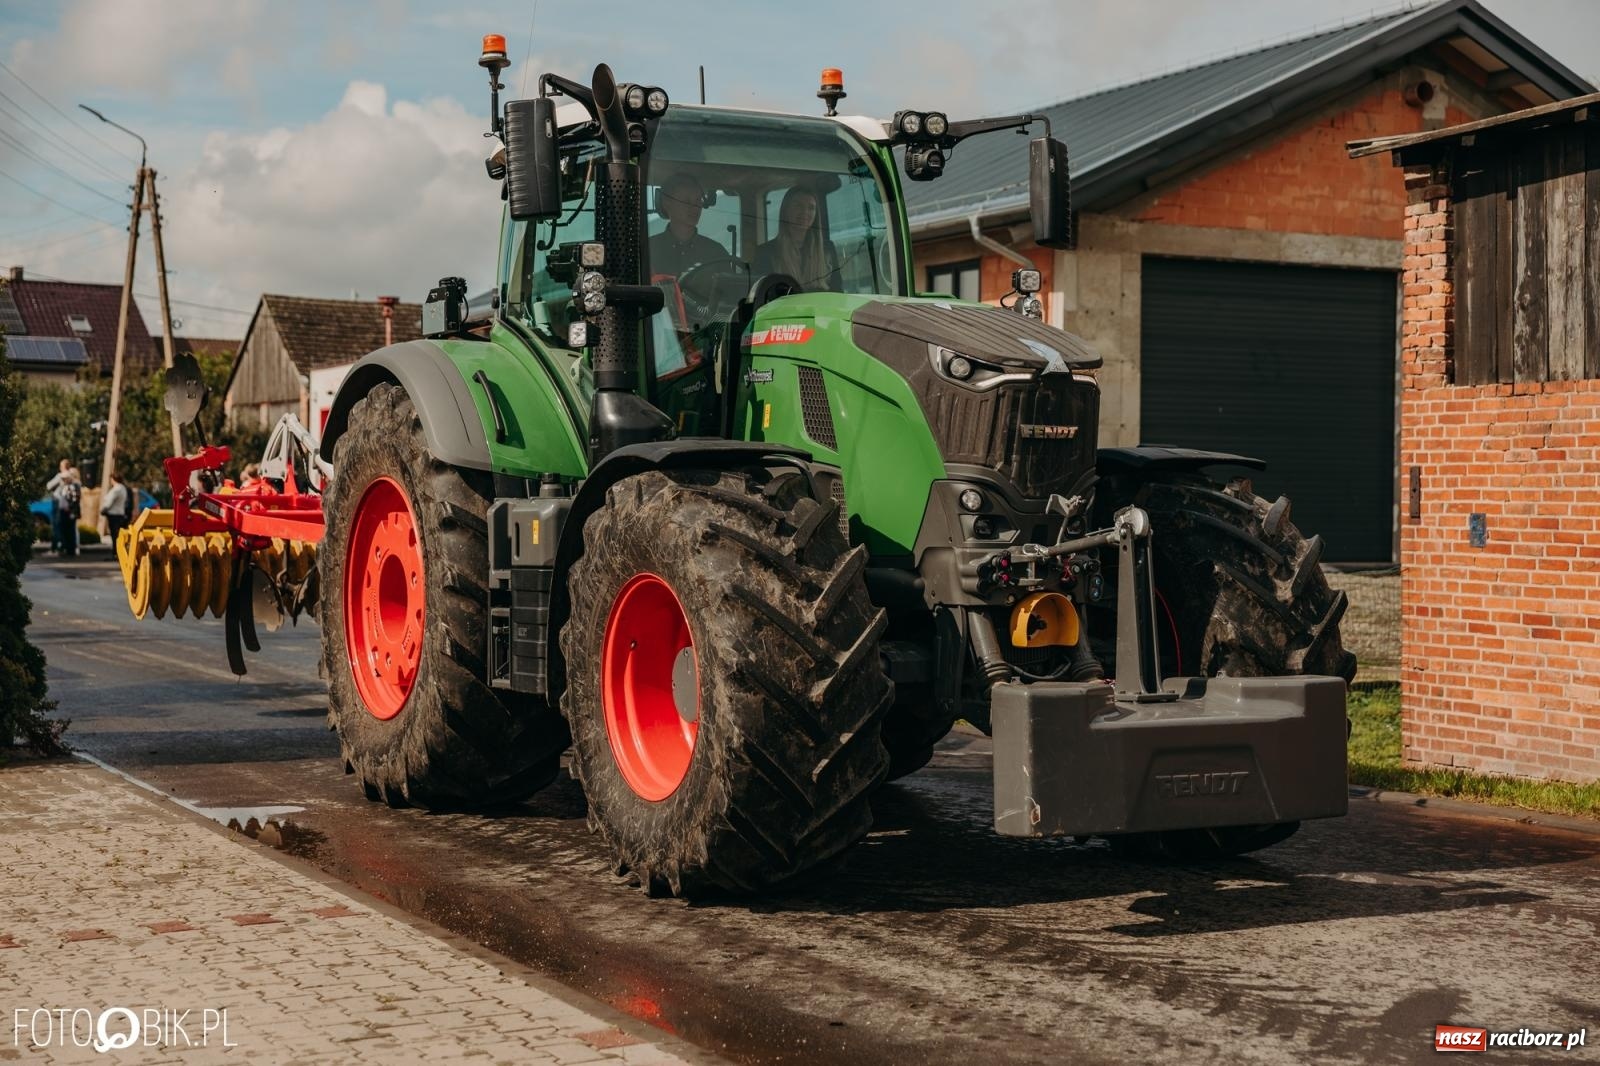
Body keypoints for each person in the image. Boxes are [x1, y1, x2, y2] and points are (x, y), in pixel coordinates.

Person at [752, 186, 841, 292]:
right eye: (798, 206)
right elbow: (761, 297)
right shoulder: (766, 252)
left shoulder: (827, 248)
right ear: (785, 210)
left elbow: (838, 292)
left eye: (811, 208)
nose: (805, 212)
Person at [648, 172, 730, 280]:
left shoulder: (717, 253)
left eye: (698, 200)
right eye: (686, 201)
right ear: (667, 203)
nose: (695, 207)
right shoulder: (648, 250)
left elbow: (729, 294)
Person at [46, 459, 81, 557]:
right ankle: (68, 548)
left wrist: (69, 507)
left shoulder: (62, 477)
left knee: (60, 526)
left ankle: (61, 547)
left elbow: (49, 486)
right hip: (68, 507)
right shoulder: (74, 480)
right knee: (70, 528)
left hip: (64, 506)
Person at [100, 470, 130, 544]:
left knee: (114, 534)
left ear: (113, 479)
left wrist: (104, 509)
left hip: (114, 514)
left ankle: (115, 551)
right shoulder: (123, 488)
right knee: (118, 533)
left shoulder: (116, 489)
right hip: (120, 512)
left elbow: (110, 501)